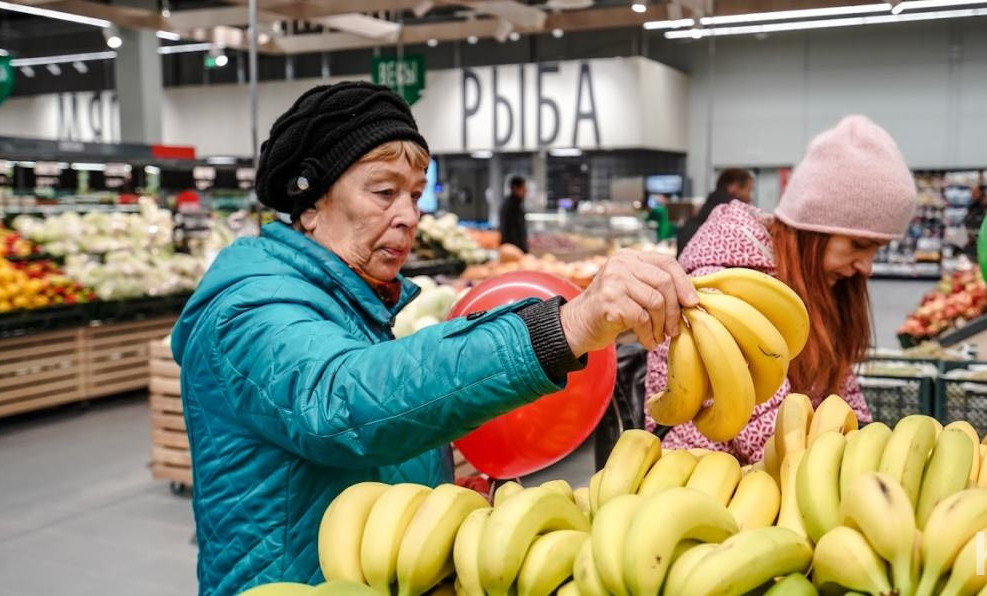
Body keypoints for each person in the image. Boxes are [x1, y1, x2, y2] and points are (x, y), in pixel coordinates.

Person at [170, 82, 698, 595]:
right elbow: (344, 402)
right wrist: (565, 326)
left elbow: (375, 444)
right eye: (384, 192)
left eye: (415, 195)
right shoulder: (247, 309)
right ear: (310, 203)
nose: (408, 217)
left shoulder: (353, 302)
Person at [646, 115, 918, 462]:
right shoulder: (725, 281)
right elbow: (753, 414)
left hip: (783, 468)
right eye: (858, 245)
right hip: (702, 479)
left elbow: (837, 383)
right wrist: (842, 466)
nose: (866, 266)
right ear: (813, 231)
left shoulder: (816, 281)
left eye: (877, 249)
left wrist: (862, 432)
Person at [677, 168, 754, 255]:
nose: (750, 198)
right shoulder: (735, 223)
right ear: (734, 188)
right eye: (749, 190)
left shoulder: (693, 221)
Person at [499, 175, 529, 252]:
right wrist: (522, 249)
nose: (525, 191)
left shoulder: (516, 204)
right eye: (523, 188)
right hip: (513, 250)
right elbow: (511, 232)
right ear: (515, 188)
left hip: (514, 249)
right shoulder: (510, 206)